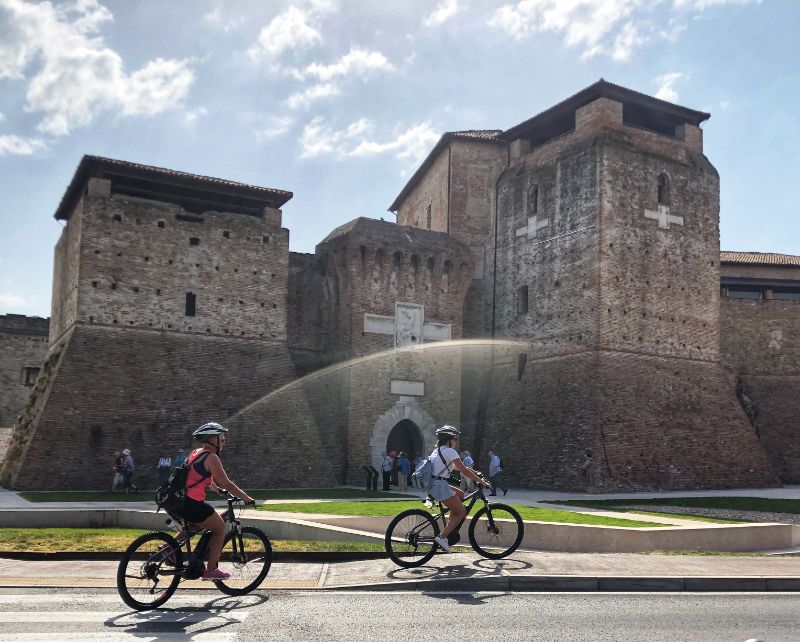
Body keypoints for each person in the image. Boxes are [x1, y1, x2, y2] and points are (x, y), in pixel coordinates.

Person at [172, 421, 255, 581]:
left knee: (194, 525)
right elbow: (227, 483)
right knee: (219, 529)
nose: (223, 442)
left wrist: (215, 488)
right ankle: (211, 570)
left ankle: (168, 547)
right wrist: (246, 497)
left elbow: (198, 476)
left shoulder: (196, 453)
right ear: (213, 440)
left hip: (180, 501)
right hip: (193, 503)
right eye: (221, 439)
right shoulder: (212, 457)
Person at [428, 425, 491, 553]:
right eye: (454, 439)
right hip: (440, 486)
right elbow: (463, 470)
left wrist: (476, 473)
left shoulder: (438, 451)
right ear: (449, 439)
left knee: (461, 494)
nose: (456, 441)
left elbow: (458, 467)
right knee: (461, 512)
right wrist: (481, 482)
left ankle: (451, 528)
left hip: (435, 484)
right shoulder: (450, 451)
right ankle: (442, 537)